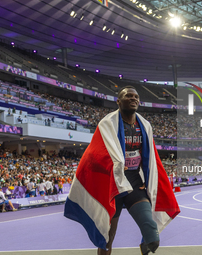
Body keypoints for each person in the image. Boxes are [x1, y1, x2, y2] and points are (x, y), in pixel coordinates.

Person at [64, 86, 180, 255]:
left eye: (136, 97)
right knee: (108, 238)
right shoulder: (107, 123)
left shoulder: (145, 126)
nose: (133, 99)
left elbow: (150, 158)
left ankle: (145, 245)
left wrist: (147, 182)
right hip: (113, 183)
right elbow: (96, 154)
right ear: (118, 101)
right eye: (128, 96)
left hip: (134, 181)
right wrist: (116, 165)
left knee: (152, 235)